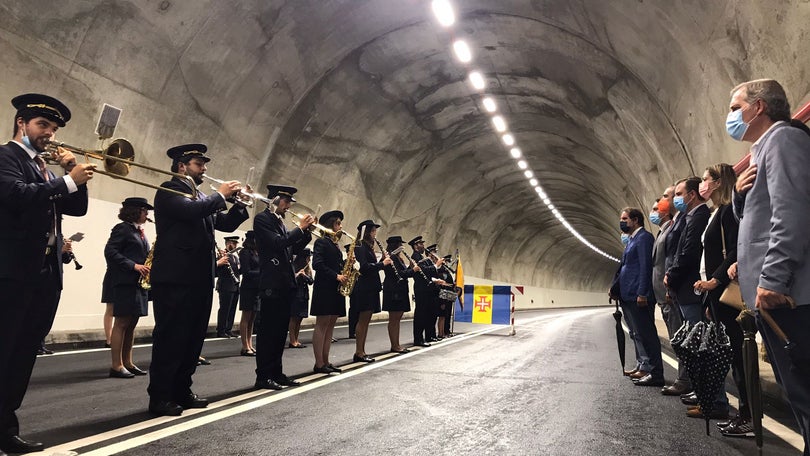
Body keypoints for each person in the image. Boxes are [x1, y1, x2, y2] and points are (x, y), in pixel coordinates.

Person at [0, 93, 94, 454]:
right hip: (11, 273)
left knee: (23, 354)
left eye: (53, 130)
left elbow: (78, 209)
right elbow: (16, 194)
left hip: (43, 276)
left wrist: (76, 178)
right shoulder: (6, 157)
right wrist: (68, 180)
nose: (49, 135)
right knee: (4, 350)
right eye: (43, 126)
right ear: (21, 124)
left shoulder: (46, 170)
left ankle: (6, 427)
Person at [729, 79, 810, 453]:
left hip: (788, 297)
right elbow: (757, 222)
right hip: (773, 299)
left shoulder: (782, 139)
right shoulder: (763, 151)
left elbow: (792, 213)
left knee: (805, 394)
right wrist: (738, 196)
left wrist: (773, 279)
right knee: (798, 395)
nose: (730, 117)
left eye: (735, 107)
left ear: (758, 107)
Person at [147, 144, 248, 417]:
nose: (204, 168)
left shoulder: (200, 195)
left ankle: (182, 389)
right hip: (176, 278)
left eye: (203, 164)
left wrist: (238, 204)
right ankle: (160, 396)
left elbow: (223, 224)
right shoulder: (170, 189)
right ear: (182, 166)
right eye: (198, 164)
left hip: (199, 278)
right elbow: (190, 211)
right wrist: (220, 195)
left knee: (192, 338)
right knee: (171, 337)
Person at [691, 163, 748, 424]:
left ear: (718, 182)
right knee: (728, 352)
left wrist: (715, 280)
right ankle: (738, 412)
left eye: (706, 179)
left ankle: (747, 416)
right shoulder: (716, 212)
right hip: (714, 295)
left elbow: (736, 249)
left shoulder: (727, 212)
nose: (702, 184)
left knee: (737, 353)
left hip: (726, 291)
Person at [253, 184, 313, 390]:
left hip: (284, 283)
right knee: (268, 332)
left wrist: (306, 234)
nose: (288, 206)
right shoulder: (262, 220)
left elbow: (292, 247)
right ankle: (263, 375)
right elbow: (278, 244)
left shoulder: (279, 223)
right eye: (286, 202)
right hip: (271, 283)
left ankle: (276, 372)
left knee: (279, 332)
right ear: (275, 200)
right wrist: (300, 229)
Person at [610, 207, 663, 387]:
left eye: (625, 219)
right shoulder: (632, 240)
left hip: (637, 295)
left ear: (635, 220)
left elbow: (645, 267)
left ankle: (655, 373)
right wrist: (615, 289)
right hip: (628, 294)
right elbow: (624, 268)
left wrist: (642, 292)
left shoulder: (644, 238)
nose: (622, 222)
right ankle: (646, 367)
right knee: (638, 333)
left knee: (647, 335)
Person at [104, 197, 153, 379]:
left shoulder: (138, 231)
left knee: (131, 324)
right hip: (125, 281)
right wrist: (134, 266)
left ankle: (128, 362)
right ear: (135, 211)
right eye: (144, 210)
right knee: (121, 323)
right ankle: (116, 365)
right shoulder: (122, 229)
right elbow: (110, 251)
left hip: (137, 282)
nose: (147, 214)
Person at [653, 188, 691, 396]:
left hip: (673, 290)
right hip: (665, 292)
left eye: (665, 197)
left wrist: (670, 284)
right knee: (677, 338)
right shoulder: (667, 228)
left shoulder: (679, 224)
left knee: (681, 337)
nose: (661, 202)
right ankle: (685, 378)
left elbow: (677, 256)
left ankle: (685, 379)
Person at [665, 176, 710, 325]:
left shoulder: (699, 217)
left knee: (696, 337)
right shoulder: (689, 218)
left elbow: (690, 252)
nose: (675, 199)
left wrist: (671, 276)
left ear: (691, 195)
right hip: (685, 290)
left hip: (692, 290)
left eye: (678, 194)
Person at [310, 210, 348, 374]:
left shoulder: (334, 244)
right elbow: (317, 264)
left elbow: (333, 263)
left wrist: (347, 263)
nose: (340, 226)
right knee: (322, 325)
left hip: (334, 288)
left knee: (331, 325)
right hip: (325, 287)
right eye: (338, 223)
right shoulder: (321, 242)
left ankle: (326, 360)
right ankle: (319, 363)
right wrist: (336, 275)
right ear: (331, 224)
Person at [351, 220, 393, 363]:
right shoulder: (360, 246)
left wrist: (381, 260)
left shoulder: (368, 247)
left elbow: (371, 265)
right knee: (362, 320)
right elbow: (364, 267)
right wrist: (382, 264)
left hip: (371, 286)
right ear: (368, 232)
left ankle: (362, 351)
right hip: (364, 287)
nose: (375, 234)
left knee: (366, 320)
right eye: (373, 231)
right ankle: (359, 352)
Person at [382, 235, 420, 353]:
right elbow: (399, 274)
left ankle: (396, 344)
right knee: (394, 319)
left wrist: (411, 267)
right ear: (396, 246)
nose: (402, 247)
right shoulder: (390, 257)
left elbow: (403, 272)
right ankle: (394, 345)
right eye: (400, 245)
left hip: (399, 289)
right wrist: (412, 270)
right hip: (394, 290)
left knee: (397, 318)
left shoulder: (398, 258)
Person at [238, 231, 260, 356]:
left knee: (252, 317)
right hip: (248, 287)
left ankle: (250, 343)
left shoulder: (257, 252)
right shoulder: (245, 252)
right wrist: (261, 273)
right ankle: (244, 346)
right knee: (246, 316)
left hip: (256, 287)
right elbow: (246, 272)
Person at [409, 236, 433, 347]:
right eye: (420, 244)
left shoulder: (420, 256)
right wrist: (435, 267)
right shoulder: (415, 257)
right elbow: (423, 271)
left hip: (424, 288)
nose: (423, 246)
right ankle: (418, 339)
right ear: (415, 246)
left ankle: (421, 337)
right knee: (420, 314)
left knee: (424, 314)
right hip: (420, 288)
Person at [215, 236, 241, 338]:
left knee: (232, 309)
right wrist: (220, 259)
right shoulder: (221, 254)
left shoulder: (235, 257)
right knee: (224, 308)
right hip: (225, 286)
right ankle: (221, 330)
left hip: (235, 286)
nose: (234, 245)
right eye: (232, 243)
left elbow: (239, 271)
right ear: (227, 243)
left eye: (235, 244)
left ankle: (228, 329)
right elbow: (219, 271)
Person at [289, 248, 313, 349]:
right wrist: (299, 274)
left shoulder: (307, 268)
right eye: (308, 257)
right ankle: (292, 340)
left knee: (300, 318)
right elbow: (291, 279)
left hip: (304, 294)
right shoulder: (294, 266)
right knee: (294, 317)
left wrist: (305, 276)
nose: (309, 260)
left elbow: (311, 281)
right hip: (295, 294)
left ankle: (296, 339)